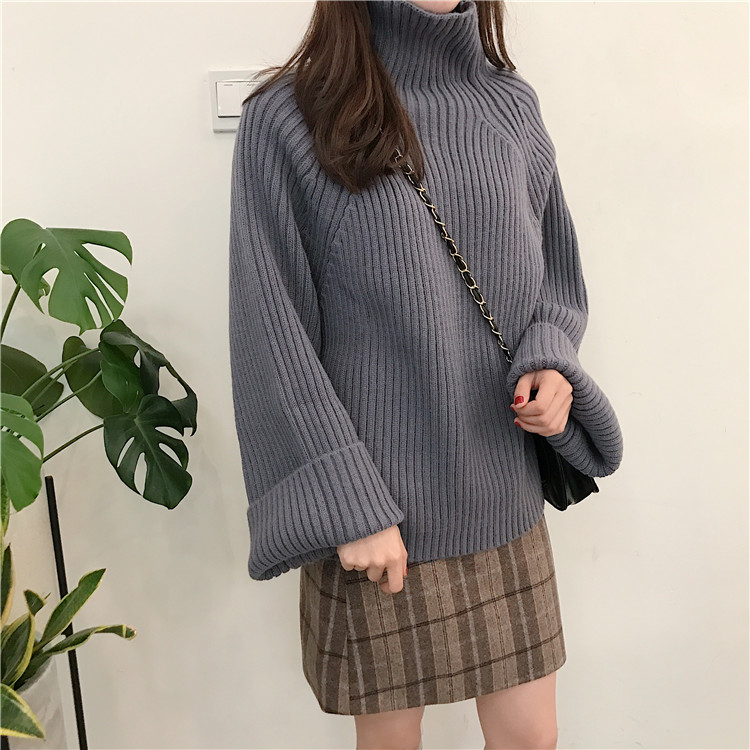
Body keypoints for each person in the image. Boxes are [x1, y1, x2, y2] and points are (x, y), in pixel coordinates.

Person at [227, 0, 624, 747]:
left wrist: (551, 361)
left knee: (532, 738)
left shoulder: (509, 105)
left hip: (501, 496)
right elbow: (270, 331)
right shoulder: (289, 118)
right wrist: (348, 505)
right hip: (381, 516)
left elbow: (553, 277)